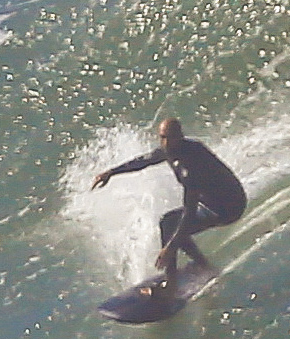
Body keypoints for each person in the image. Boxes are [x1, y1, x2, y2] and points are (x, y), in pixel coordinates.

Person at [91, 117, 247, 294]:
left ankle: (171, 286)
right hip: (216, 199)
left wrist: (170, 247)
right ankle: (203, 266)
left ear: (180, 136)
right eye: (162, 137)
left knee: (170, 225)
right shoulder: (172, 149)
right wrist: (111, 172)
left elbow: (189, 213)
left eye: (169, 138)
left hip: (228, 207)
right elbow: (145, 160)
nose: (165, 143)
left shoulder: (190, 166)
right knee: (171, 224)